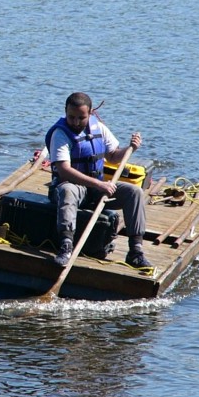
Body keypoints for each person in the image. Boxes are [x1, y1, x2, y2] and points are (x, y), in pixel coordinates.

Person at [44, 92, 153, 269]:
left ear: (91, 113)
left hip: (96, 189)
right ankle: (66, 246)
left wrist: (130, 148)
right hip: (72, 188)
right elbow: (64, 172)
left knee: (135, 192)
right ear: (65, 112)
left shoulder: (99, 128)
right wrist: (99, 184)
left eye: (81, 118)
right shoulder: (60, 134)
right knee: (68, 190)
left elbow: (113, 155)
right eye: (71, 117)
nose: (76, 122)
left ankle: (136, 251)